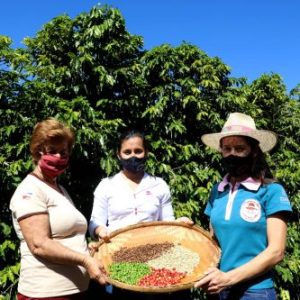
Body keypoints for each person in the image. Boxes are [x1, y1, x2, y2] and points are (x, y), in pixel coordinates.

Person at [194, 112, 292, 299]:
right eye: (227, 149)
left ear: (254, 151)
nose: (232, 154)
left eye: (240, 149)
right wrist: (188, 230)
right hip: (219, 289)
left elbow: (276, 251)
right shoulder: (217, 191)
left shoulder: (271, 191)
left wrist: (228, 278)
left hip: (255, 291)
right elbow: (214, 242)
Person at [89, 129, 192, 299]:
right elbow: (94, 222)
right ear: (119, 155)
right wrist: (100, 230)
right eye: (127, 152)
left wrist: (178, 224)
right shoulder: (107, 185)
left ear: (146, 153)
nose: (133, 156)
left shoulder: (158, 185)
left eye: (138, 151)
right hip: (116, 256)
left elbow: (167, 222)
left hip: (153, 258)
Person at [10, 118, 106, 300]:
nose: (58, 158)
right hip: (47, 293)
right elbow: (40, 245)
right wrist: (85, 260)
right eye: (52, 151)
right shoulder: (29, 190)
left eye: (63, 152)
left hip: (76, 290)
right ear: (38, 152)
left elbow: (67, 236)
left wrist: (89, 251)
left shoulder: (60, 190)